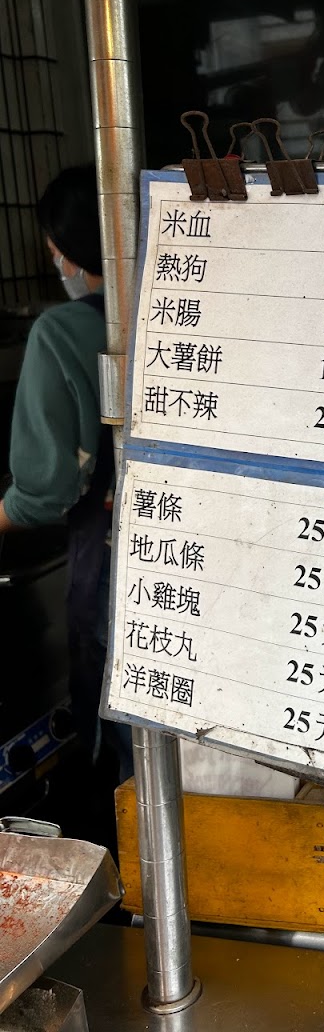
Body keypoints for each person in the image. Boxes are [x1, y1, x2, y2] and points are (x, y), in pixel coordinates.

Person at [0, 164, 132, 806]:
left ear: (69, 251)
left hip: (113, 561)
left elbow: (46, 486)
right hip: (192, 552)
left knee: (133, 749)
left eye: (53, 251)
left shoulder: (60, 333)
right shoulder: (179, 310)